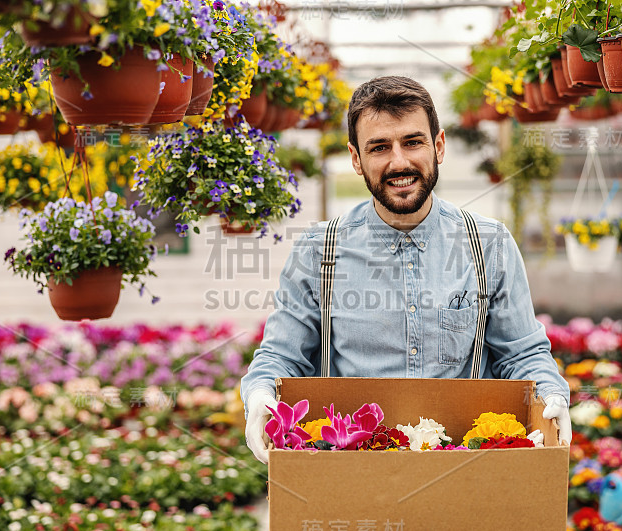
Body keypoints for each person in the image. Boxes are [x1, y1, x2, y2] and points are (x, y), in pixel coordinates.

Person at [240, 75, 571, 464]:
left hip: (462, 470)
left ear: (439, 146)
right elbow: (280, 355)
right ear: (356, 159)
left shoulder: (489, 245)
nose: (399, 162)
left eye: (412, 142)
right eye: (379, 147)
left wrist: (551, 393)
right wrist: (260, 395)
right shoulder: (319, 252)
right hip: (350, 472)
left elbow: (522, 353)